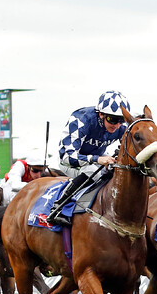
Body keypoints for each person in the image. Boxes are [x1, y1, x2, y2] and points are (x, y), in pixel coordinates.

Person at [47, 91, 130, 226]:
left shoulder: (122, 128)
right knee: (92, 171)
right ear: (101, 114)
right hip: (70, 161)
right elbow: (67, 156)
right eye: (112, 120)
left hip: (95, 159)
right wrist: (97, 159)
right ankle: (58, 207)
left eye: (121, 120)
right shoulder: (81, 119)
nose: (116, 125)